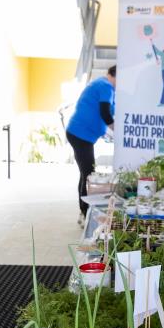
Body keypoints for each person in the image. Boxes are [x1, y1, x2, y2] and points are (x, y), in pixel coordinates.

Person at [65, 65, 116, 220]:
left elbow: (107, 111)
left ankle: (84, 210)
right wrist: (117, 132)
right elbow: (105, 113)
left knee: (86, 173)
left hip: (81, 134)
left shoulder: (102, 84)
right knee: (88, 174)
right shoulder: (105, 86)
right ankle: (85, 212)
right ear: (116, 76)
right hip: (80, 134)